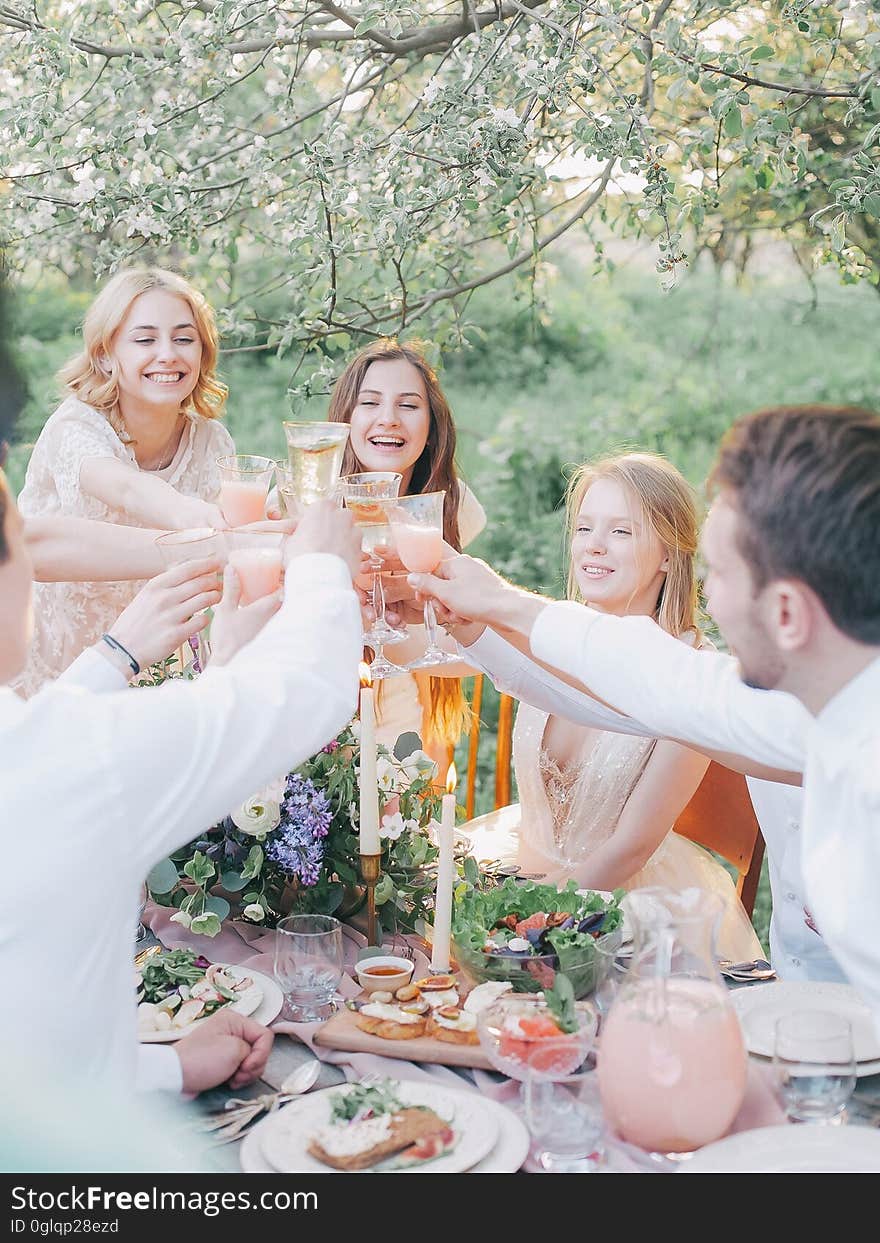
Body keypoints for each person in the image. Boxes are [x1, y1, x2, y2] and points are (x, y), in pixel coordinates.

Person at [408, 406, 880, 1021]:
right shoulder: (786, 707)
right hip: (804, 997)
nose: (705, 592)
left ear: (788, 612)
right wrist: (482, 617)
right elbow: (643, 685)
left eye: (721, 573)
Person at [0, 459, 364, 1099]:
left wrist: (170, 1068)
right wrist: (322, 568)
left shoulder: (36, 749)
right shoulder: (64, 762)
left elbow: (30, 1047)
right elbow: (306, 688)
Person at [449, 452, 762, 960]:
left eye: (621, 531)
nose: (593, 546)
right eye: (584, 527)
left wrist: (533, 927)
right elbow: (466, 645)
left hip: (621, 904)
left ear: (668, 552)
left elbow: (631, 845)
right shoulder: (555, 631)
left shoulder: (689, 673)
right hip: (522, 864)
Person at [14, 266, 236, 695]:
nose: (168, 354)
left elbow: (227, 567)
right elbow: (124, 487)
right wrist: (199, 524)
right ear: (104, 355)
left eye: (184, 339)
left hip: (151, 672)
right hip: (50, 669)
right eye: (145, 339)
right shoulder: (75, 426)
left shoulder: (212, 442)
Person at [327, 339, 485, 763]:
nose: (388, 420)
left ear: (433, 425)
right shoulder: (309, 500)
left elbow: (453, 649)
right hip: (319, 715)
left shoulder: (451, 504)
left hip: (399, 720)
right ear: (346, 418)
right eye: (370, 402)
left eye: (408, 406)